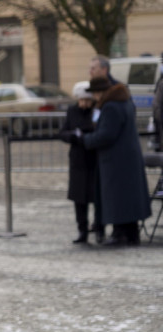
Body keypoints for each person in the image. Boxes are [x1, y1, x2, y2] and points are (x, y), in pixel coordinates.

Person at [77, 76, 151, 246]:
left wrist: (86, 139)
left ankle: (120, 233)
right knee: (127, 197)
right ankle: (131, 233)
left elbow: (106, 135)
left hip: (116, 160)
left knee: (118, 198)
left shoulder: (111, 107)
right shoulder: (124, 102)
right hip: (127, 158)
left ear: (99, 93)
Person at [58, 81, 99, 244]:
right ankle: (82, 230)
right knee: (79, 198)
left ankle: (99, 228)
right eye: (81, 100)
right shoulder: (72, 111)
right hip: (78, 161)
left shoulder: (96, 111)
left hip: (94, 159)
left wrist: (85, 134)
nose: (84, 104)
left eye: (87, 101)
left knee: (96, 197)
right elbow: (62, 132)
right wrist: (73, 136)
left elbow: (97, 130)